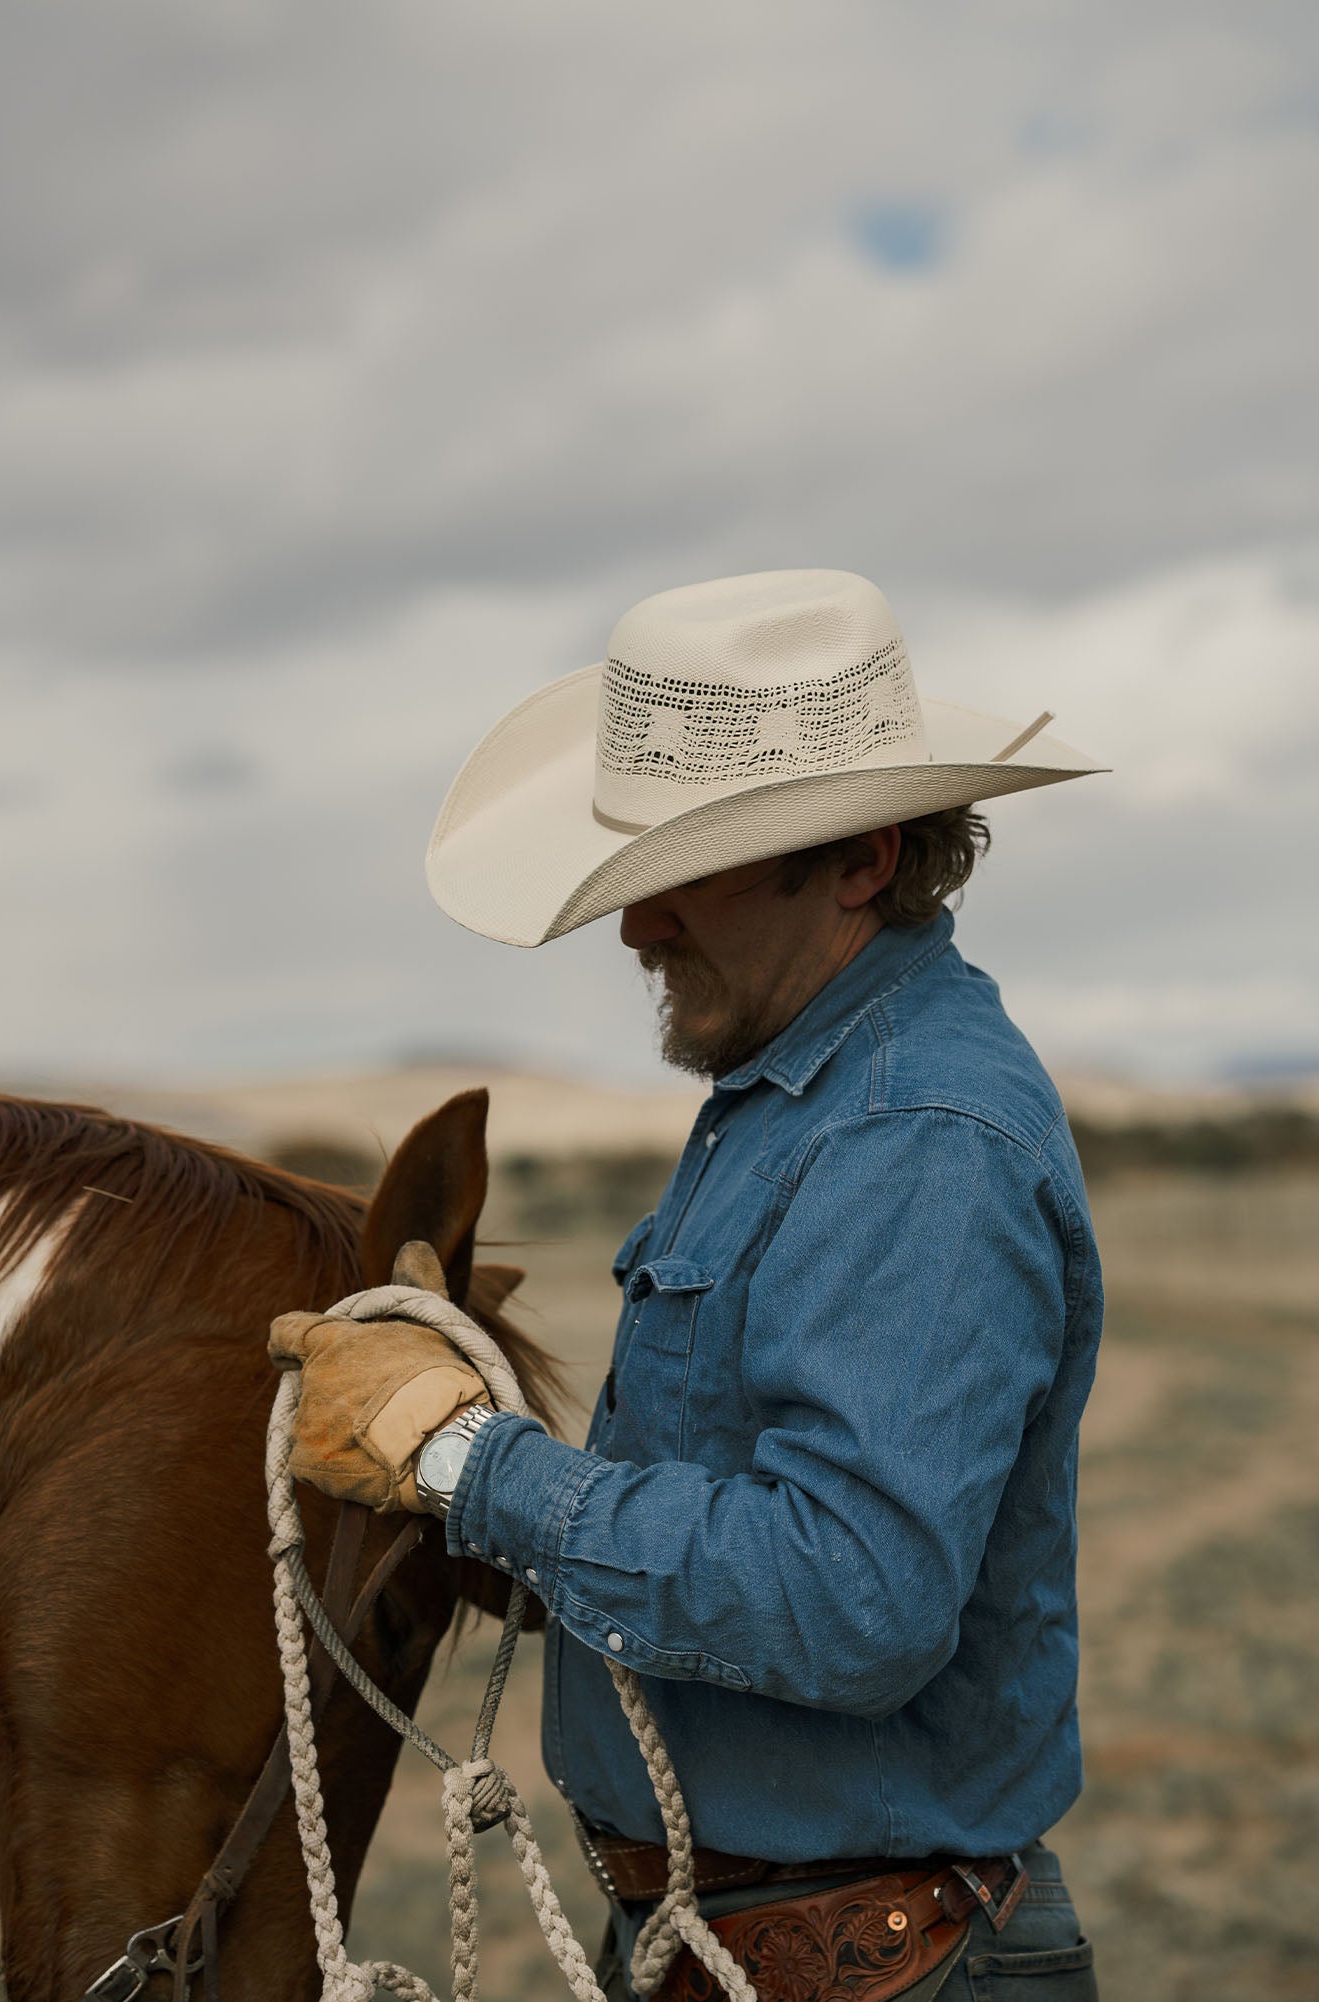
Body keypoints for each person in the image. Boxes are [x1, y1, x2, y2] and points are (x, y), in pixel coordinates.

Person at [275, 571, 1106, 1999]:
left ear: (858, 859)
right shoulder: (803, 1093)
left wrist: (466, 1458)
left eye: (683, 871)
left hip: (865, 1962)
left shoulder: (912, 1138)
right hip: (747, 1946)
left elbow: (854, 1596)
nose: (635, 929)